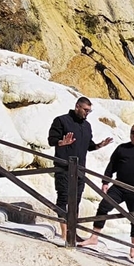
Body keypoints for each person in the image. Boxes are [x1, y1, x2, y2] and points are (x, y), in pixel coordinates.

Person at [81, 122, 134, 257]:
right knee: (103, 207)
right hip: (118, 186)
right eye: (133, 132)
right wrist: (106, 181)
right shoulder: (122, 148)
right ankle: (94, 238)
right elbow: (111, 165)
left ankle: (133, 248)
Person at [48, 97, 111, 243]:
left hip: (80, 169)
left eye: (89, 111)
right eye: (85, 110)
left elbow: (88, 145)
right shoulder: (61, 120)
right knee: (63, 198)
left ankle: (72, 232)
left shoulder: (87, 126)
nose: (87, 113)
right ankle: (64, 234)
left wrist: (98, 146)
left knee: (76, 201)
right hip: (63, 167)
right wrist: (61, 142)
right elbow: (51, 140)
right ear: (77, 107)